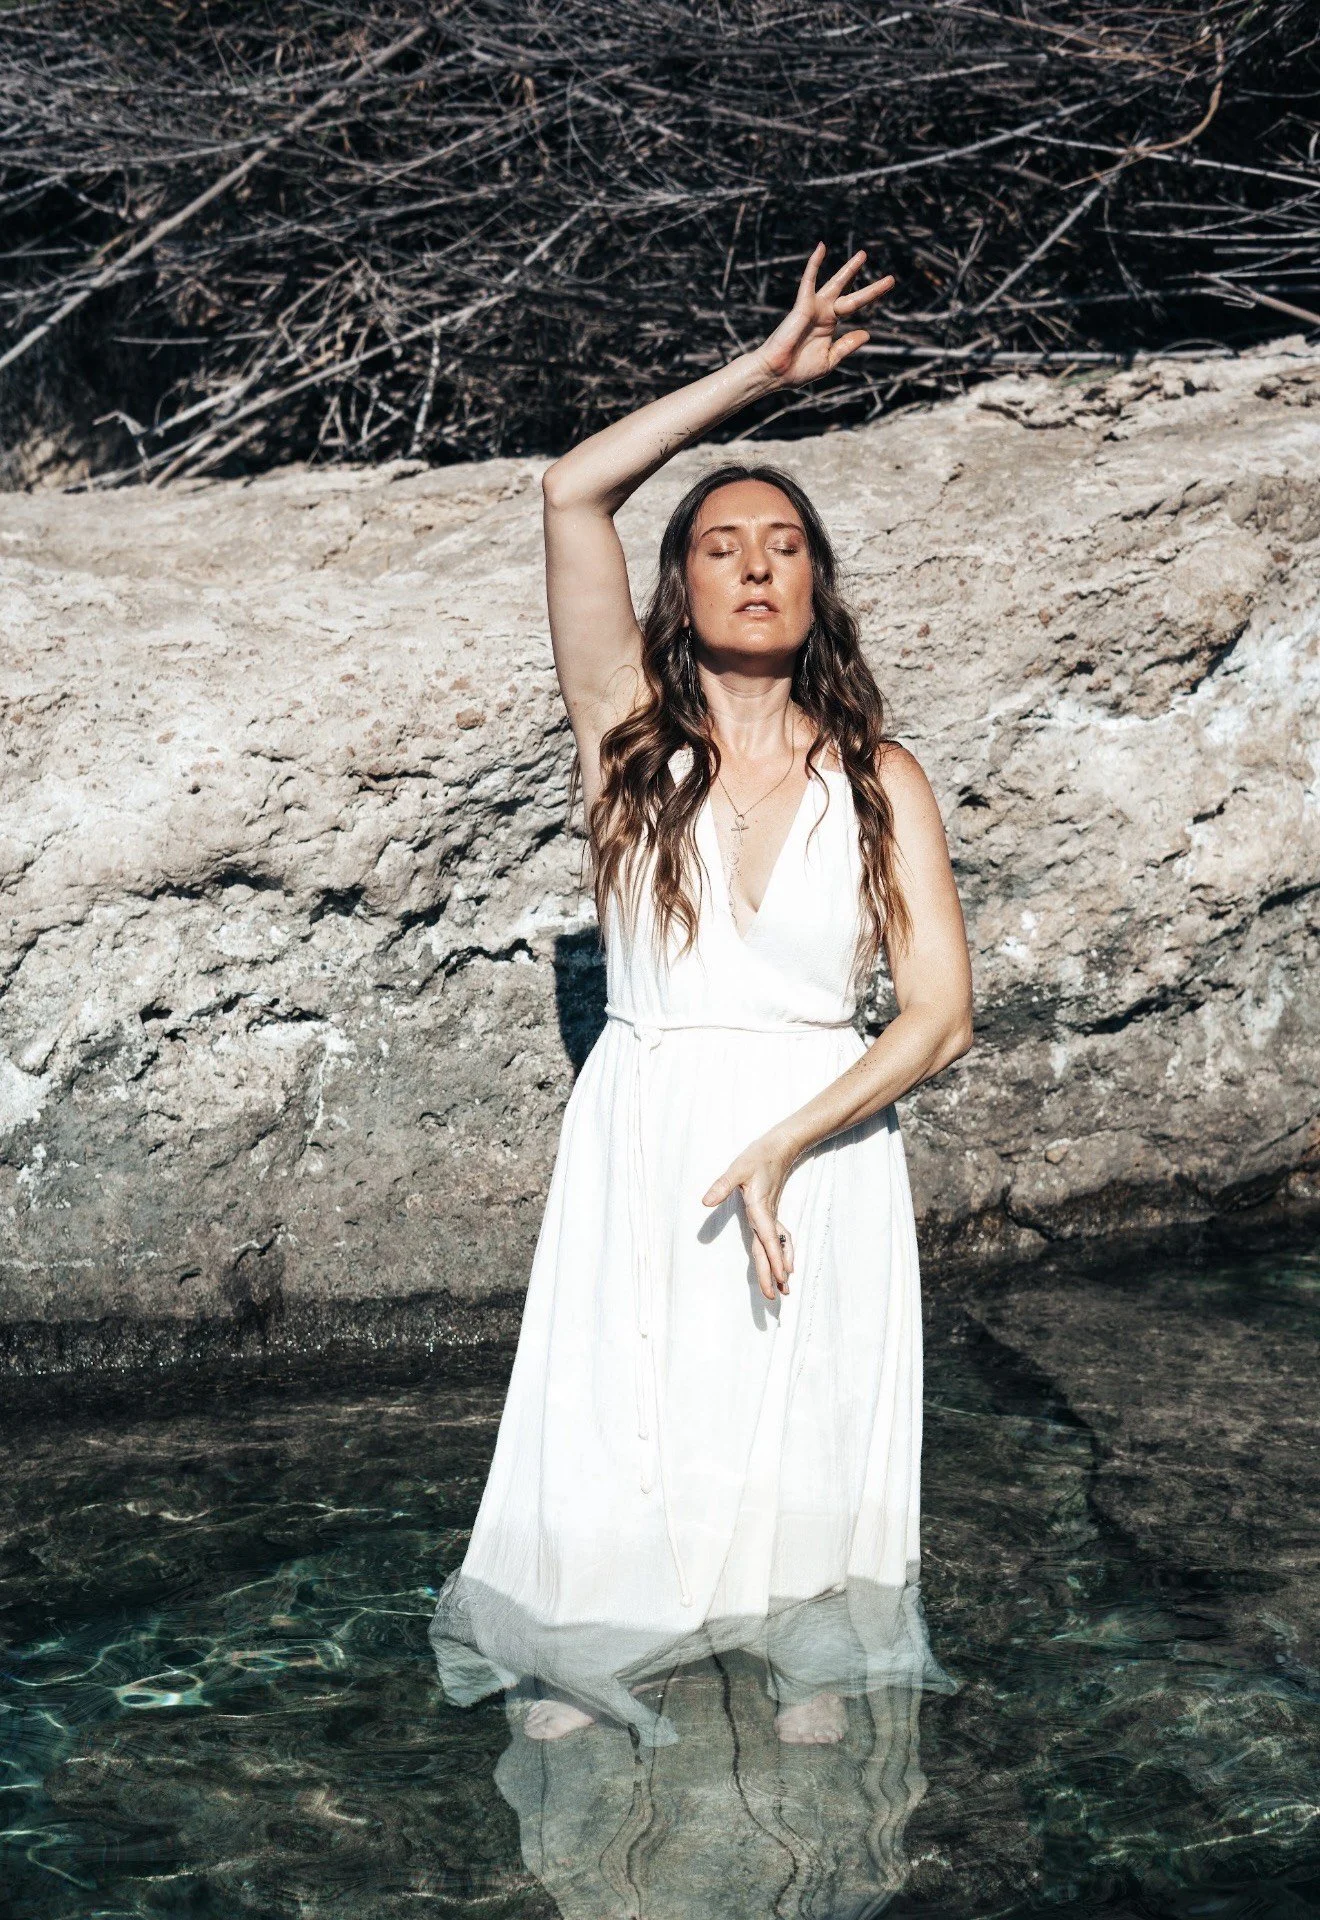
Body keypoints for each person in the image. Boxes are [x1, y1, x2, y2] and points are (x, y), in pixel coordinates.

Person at [429, 244, 974, 1747]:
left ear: (817, 587)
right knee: (621, 1460)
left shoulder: (883, 777)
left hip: (824, 1138)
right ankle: (604, 1666)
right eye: (722, 544)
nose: (753, 564)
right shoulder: (627, 741)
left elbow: (939, 1013)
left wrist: (791, 1141)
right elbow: (570, 493)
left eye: (784, 545)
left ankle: (807, 1671)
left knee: (813, 1579)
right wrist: (761, 374)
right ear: (680, 585)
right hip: (652, 1133)